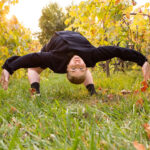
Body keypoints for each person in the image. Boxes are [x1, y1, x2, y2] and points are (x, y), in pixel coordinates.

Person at [0, 31, 150, 95]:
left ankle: (35, 91)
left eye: (74, 68)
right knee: (85, 69)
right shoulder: (91, 56)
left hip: (55, 42)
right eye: (81, 67)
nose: (78, 63)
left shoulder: (55, 59)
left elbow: (29, 58)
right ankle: (92, 91)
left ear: (66, 68)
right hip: (76, 36)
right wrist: (142, 61)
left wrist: (8, 68)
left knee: (34, 66)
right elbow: (117, 51)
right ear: (87, 66)